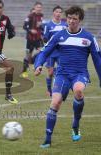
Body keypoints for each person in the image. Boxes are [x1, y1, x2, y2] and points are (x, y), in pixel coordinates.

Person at [34, 6, 101, 148]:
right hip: (62, 75)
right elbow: (44, 52)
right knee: (56, 102)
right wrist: (38, 65)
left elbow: (98, 60)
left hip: (79, 74)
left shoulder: (89, 38)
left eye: (74, 19)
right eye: (69, 18)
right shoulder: (59, 36)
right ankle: (47, 138)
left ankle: (75, 124)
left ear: (80, 20)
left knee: (78, 91)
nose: (71, 21)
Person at [43, 5, 67, 96]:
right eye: (57, 12)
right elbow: (45, 39)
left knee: (63, 70)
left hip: (61, 52)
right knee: (50, 72)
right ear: (53, 13)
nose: (58, 14)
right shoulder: (48, 25)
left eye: (60, 12)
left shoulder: (64, 25)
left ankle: (61, 88)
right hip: (51, 52)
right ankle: (49, 90)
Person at [21, 1, 44, 78]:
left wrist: (42, 33)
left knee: (42, 51)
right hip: (30, 39)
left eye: (40, 7)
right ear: (34, 8)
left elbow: (40, 26)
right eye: (37, 7)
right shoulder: (30, 16)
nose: (39, 9)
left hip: (38, 39)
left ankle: (35, 65)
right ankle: (24, 71)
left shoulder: (41, 16)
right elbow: (24, 26)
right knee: (28, 56)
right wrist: (30, 30)